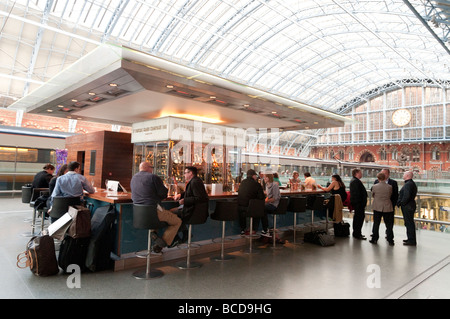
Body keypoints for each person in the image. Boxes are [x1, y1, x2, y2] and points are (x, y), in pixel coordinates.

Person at [131, 161, 182, 251]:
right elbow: (163, 194)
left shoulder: (134, 178)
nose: (152, 169)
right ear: (148, 168)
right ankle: (161, 244)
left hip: (139, 215)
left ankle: (154, 233)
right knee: (177, 221)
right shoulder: (153, 177)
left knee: (156, 219)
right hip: (154, 212)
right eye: (152, 167)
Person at [175, 166, 209, 241]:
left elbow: (200, 198)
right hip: (192, 209)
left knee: (171, 213)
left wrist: (185, 201)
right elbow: (190, 192)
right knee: (173, 212)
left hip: (193, 212)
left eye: (185, 173)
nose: (184, 175)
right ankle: (183, 233)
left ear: (190, 173)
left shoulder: (195, 182)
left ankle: (179, 235)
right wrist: (181, 195)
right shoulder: (195, 181)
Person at [237, 169, 265, 235]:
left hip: (240, 208)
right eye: (255, 175)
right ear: (253, 176)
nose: (256, 177)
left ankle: (243, 229)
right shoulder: (257, 184)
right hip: (251, 209)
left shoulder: (242, 183)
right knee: (259, 209)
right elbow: (261, 197)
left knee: (244, 210)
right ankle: (254, 229)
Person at [370, 172, 394, 245]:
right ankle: (390, 240)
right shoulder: (389, 187)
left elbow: (373, 195)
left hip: (377, 206)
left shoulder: (374, 186)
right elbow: (390, 195)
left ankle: (374, 238)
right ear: (385, 178)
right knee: (389, 224)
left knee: (376, 223)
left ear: (378, 178)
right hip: (387, 206)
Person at [397, 171, 418, 246]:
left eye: (403, 174)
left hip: (407, 206)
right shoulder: (410, 183)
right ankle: (410, 238)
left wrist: (401, 203)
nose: (402, 175)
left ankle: (411, 240)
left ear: (407, 175)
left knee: (409, 223)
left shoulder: (408, 184)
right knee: (409, 222)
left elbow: (406, 196)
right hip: (410, 205)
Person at [350, 168, 368, 240]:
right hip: (359, 204)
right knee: (359, 218)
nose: (361, 174)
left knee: (358, 218)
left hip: (358, 203)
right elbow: (357, 194)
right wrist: (361, 202)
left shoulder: (355, 181)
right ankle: (357, 233)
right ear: (357, 173)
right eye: (360, 172)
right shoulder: (355, 181)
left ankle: (357, 233)